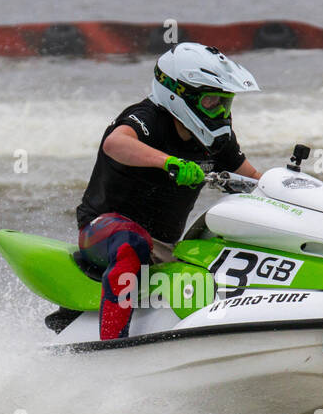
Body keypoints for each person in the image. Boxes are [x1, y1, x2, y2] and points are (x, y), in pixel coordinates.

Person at [75, 42, 262, 340]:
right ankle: (112, 347)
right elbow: (116, 143)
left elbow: (253, 178)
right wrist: (169, 162)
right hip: (102, 232)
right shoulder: (147, 118)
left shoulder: (217, 138)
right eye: (212, 101)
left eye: (226, 102)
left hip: (164, 246)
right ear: (178, 94)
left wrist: (291, 193)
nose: (221, 111)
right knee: (131, 243)